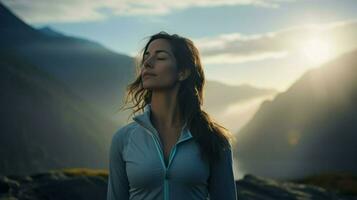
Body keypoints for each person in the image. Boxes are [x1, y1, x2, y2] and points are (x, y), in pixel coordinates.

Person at [107, 31, 238, 200]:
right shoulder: (123, 139)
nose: (147, 63)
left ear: (183, 72)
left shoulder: (214, 140)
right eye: (146, 56)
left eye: (160, 58)